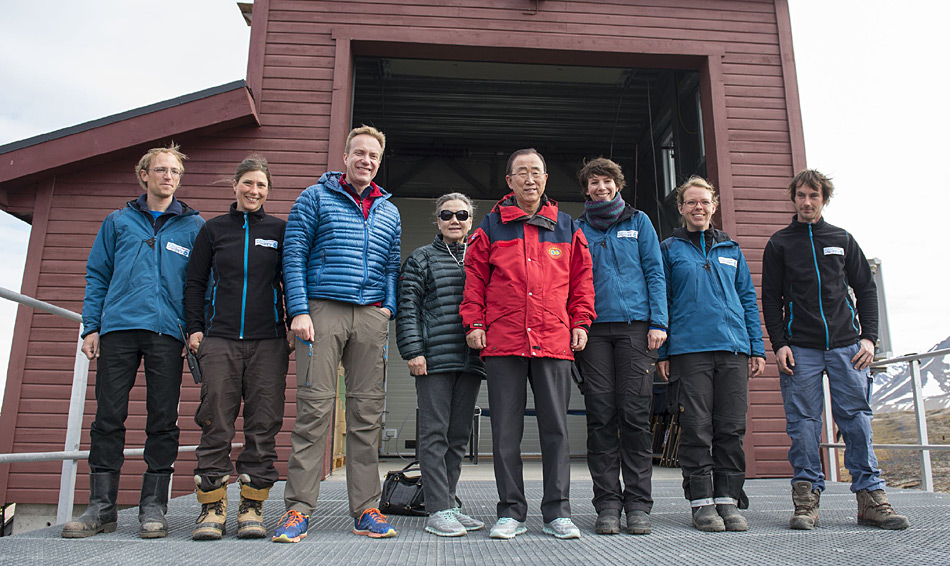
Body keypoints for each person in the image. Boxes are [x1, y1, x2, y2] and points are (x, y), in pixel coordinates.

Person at [63, 144, 205, 539]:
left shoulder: (194, 227)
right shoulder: (118, 222)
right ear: (144, 175)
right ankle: (101, 507)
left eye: (175, 172)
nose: (168, 177)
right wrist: (91, 326)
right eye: (161, 170)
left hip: (166, 334)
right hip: (118, 330)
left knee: (163, 420)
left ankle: (153, 506)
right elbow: (97, 274)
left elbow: (201, 284)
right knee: (108, 418)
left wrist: (195, 327)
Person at [761, 169, 909, 530]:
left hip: (848, 348)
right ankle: (806, 500)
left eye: (814, 196)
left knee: (857, 421)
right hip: (802, 349)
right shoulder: (780, 243)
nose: (807, 202)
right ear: (793, 199)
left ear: (824, 199)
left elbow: (866, 289)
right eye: (801, 196)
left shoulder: (842, 239)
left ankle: (871, 499)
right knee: (804, 426)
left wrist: (869, 338)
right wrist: (780, 344)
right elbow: (770, 298)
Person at [275, 125, 402, 542]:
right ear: (345, 156)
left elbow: (390, 265)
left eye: (374, 156)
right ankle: (298, 510)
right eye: (359, 153)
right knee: (314, 411)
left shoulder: (389, 210)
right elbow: (293, 254)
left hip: (369, 316)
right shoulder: (314, 198)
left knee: (366, 414)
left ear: (379, 162)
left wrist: (387, 309)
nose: (366, 160)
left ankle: (367, 508)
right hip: (322, 311)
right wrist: (298, 310)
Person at [460, 148, 596, 540]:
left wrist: (581, 321)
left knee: (556, 428)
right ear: (510, 181)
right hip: (504, 340)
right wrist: (474, 321)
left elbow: (582, 280)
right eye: (521, 173)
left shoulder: (567, 227)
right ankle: (511, 512)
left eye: (536, 172)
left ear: (546, 179)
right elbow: (475, 280)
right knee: (505, 430)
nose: (529, 179)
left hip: (553, 338)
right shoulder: (490, 227)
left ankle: (557, 513)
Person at [183, 156, 291, 540]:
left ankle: (252, 506)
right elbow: (194, 283)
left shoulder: (280, 230)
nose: (254, 191)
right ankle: (212, 507)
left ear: (268, 191)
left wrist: (294, 321)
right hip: (220, 339)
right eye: (248, 183)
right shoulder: (213, 230)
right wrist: (195, 329)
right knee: (216, 421)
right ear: (235, 185)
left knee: (263, 424)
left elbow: (291, 280)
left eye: (261, 185)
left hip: (269, 341)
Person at [656, 176, 765, 533]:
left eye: (704, 202)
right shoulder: (669, 249)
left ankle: (728, 500)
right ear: (682, 208)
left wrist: (755, 346)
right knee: (696, 427)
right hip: (690, 351)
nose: (698, 207)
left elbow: (747, 300)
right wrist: (664, 352)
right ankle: (701, 503)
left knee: (731, 427)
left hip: (733, 350)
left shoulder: (731, 249)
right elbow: (663, 301)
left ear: (713, 206)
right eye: (691, 202)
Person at [573, 158, 667, 536]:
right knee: (600, 415)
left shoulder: (639, 221)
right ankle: (607, 504)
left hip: (635, 329)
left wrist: (659, 322)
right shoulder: (577, 229)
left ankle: (639, 504)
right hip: (593, 332)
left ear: (618, 185)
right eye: (594, 182)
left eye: (607, 181)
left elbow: (655, 271)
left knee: (634, 415)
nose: (601, 187)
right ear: (586, 189)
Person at [396, 193, 486, 537]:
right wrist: (413, 352)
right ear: (437, 220)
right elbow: (408, 309)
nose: (454, 220)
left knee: (458, 436)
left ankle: (448, 502)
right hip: (433, 360)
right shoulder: (421, 259)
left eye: (462, 214)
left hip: (471, 360)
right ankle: (437, 509)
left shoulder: (480, 259)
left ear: (470, 220)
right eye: (446, 214)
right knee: (434, 434)